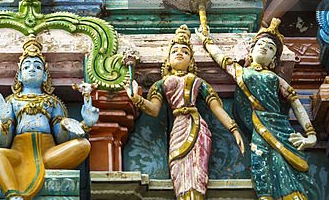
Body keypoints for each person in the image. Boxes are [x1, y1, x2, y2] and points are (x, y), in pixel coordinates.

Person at [196, 19, 317, 200]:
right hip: (259, 128)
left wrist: (311, 136)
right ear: (250, 51)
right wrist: (206, 39)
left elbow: (295, 103)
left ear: (274, 59)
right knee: (261, 165)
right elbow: (221, 59)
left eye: (270, 47)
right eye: (260, 44)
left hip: (281, 129)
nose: (264, 48)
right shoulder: (242, 72)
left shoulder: (274, 78)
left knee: (285, 168)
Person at [0, 36, 97, 200]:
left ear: (44, 76)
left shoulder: (52, 101)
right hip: (19, 154)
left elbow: (60, 138)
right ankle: (13, 194)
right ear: (19, 76)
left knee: (83, 144)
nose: (32, 69)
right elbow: (4, 141)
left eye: (38, 66)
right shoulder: (12, 102)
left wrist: (82, 124)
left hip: (48, 154)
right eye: (26, 66)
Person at [126, 25, 244, 200]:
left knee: (198, 168)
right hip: (179, 128)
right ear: (168, 59)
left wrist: (234, 129)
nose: (179, 53)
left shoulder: (197, 81)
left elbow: (216, 107)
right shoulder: (162, 83)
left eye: (185, 52)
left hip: (198, 128)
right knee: (179, 168)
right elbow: (153, 109)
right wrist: (136, 98)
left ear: (191, 61)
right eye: (175, 51)